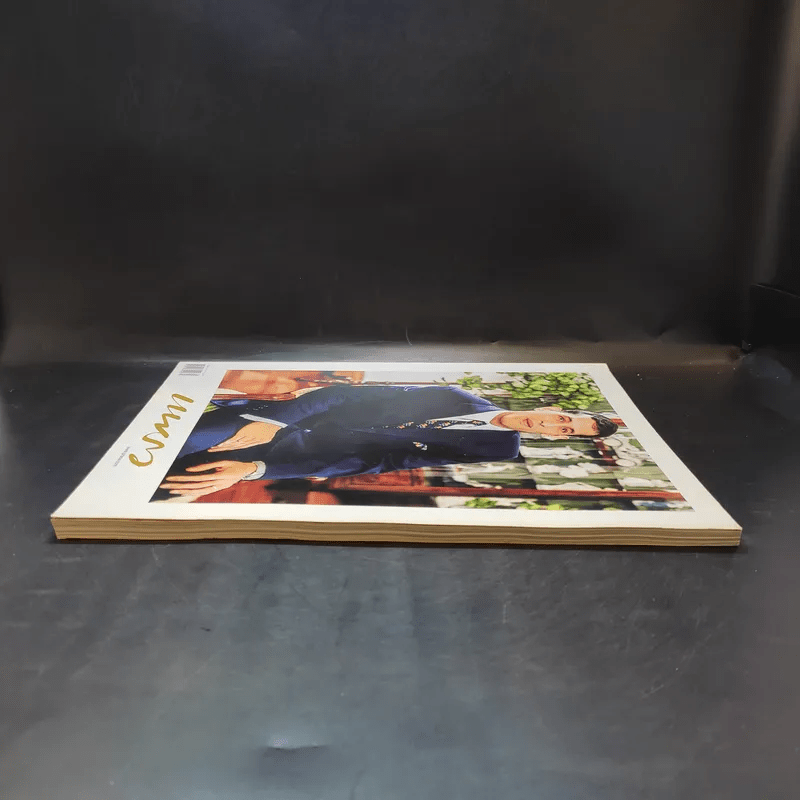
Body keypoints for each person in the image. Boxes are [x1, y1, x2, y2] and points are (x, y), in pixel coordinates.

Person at [157, 384, 618, 499]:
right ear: (551, 407)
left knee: (175, 491)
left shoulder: (499, 450)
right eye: (563, 418)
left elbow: (377, 462)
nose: (551, 425)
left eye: (564, 432)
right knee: (175, 446)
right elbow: (341, 395)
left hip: (292, 454)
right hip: (276, 421)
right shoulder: (455, 395)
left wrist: (256, 469)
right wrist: (272, 422)